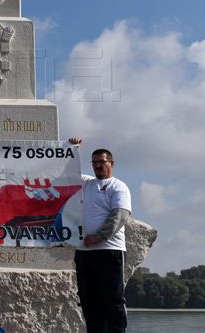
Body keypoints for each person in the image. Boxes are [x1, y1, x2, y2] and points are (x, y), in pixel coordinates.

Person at [69, 138, 132, 333]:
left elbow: (119, 216)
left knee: (113, 301)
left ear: (111, 164)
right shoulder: (87, 183)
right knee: (89, 302)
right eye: (94, 162)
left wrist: (98, 237)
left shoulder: (118, 187)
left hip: (109, 251)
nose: (97, 166)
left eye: (102, 162)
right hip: (85, 252)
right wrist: (73, 149)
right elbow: (66, 172)